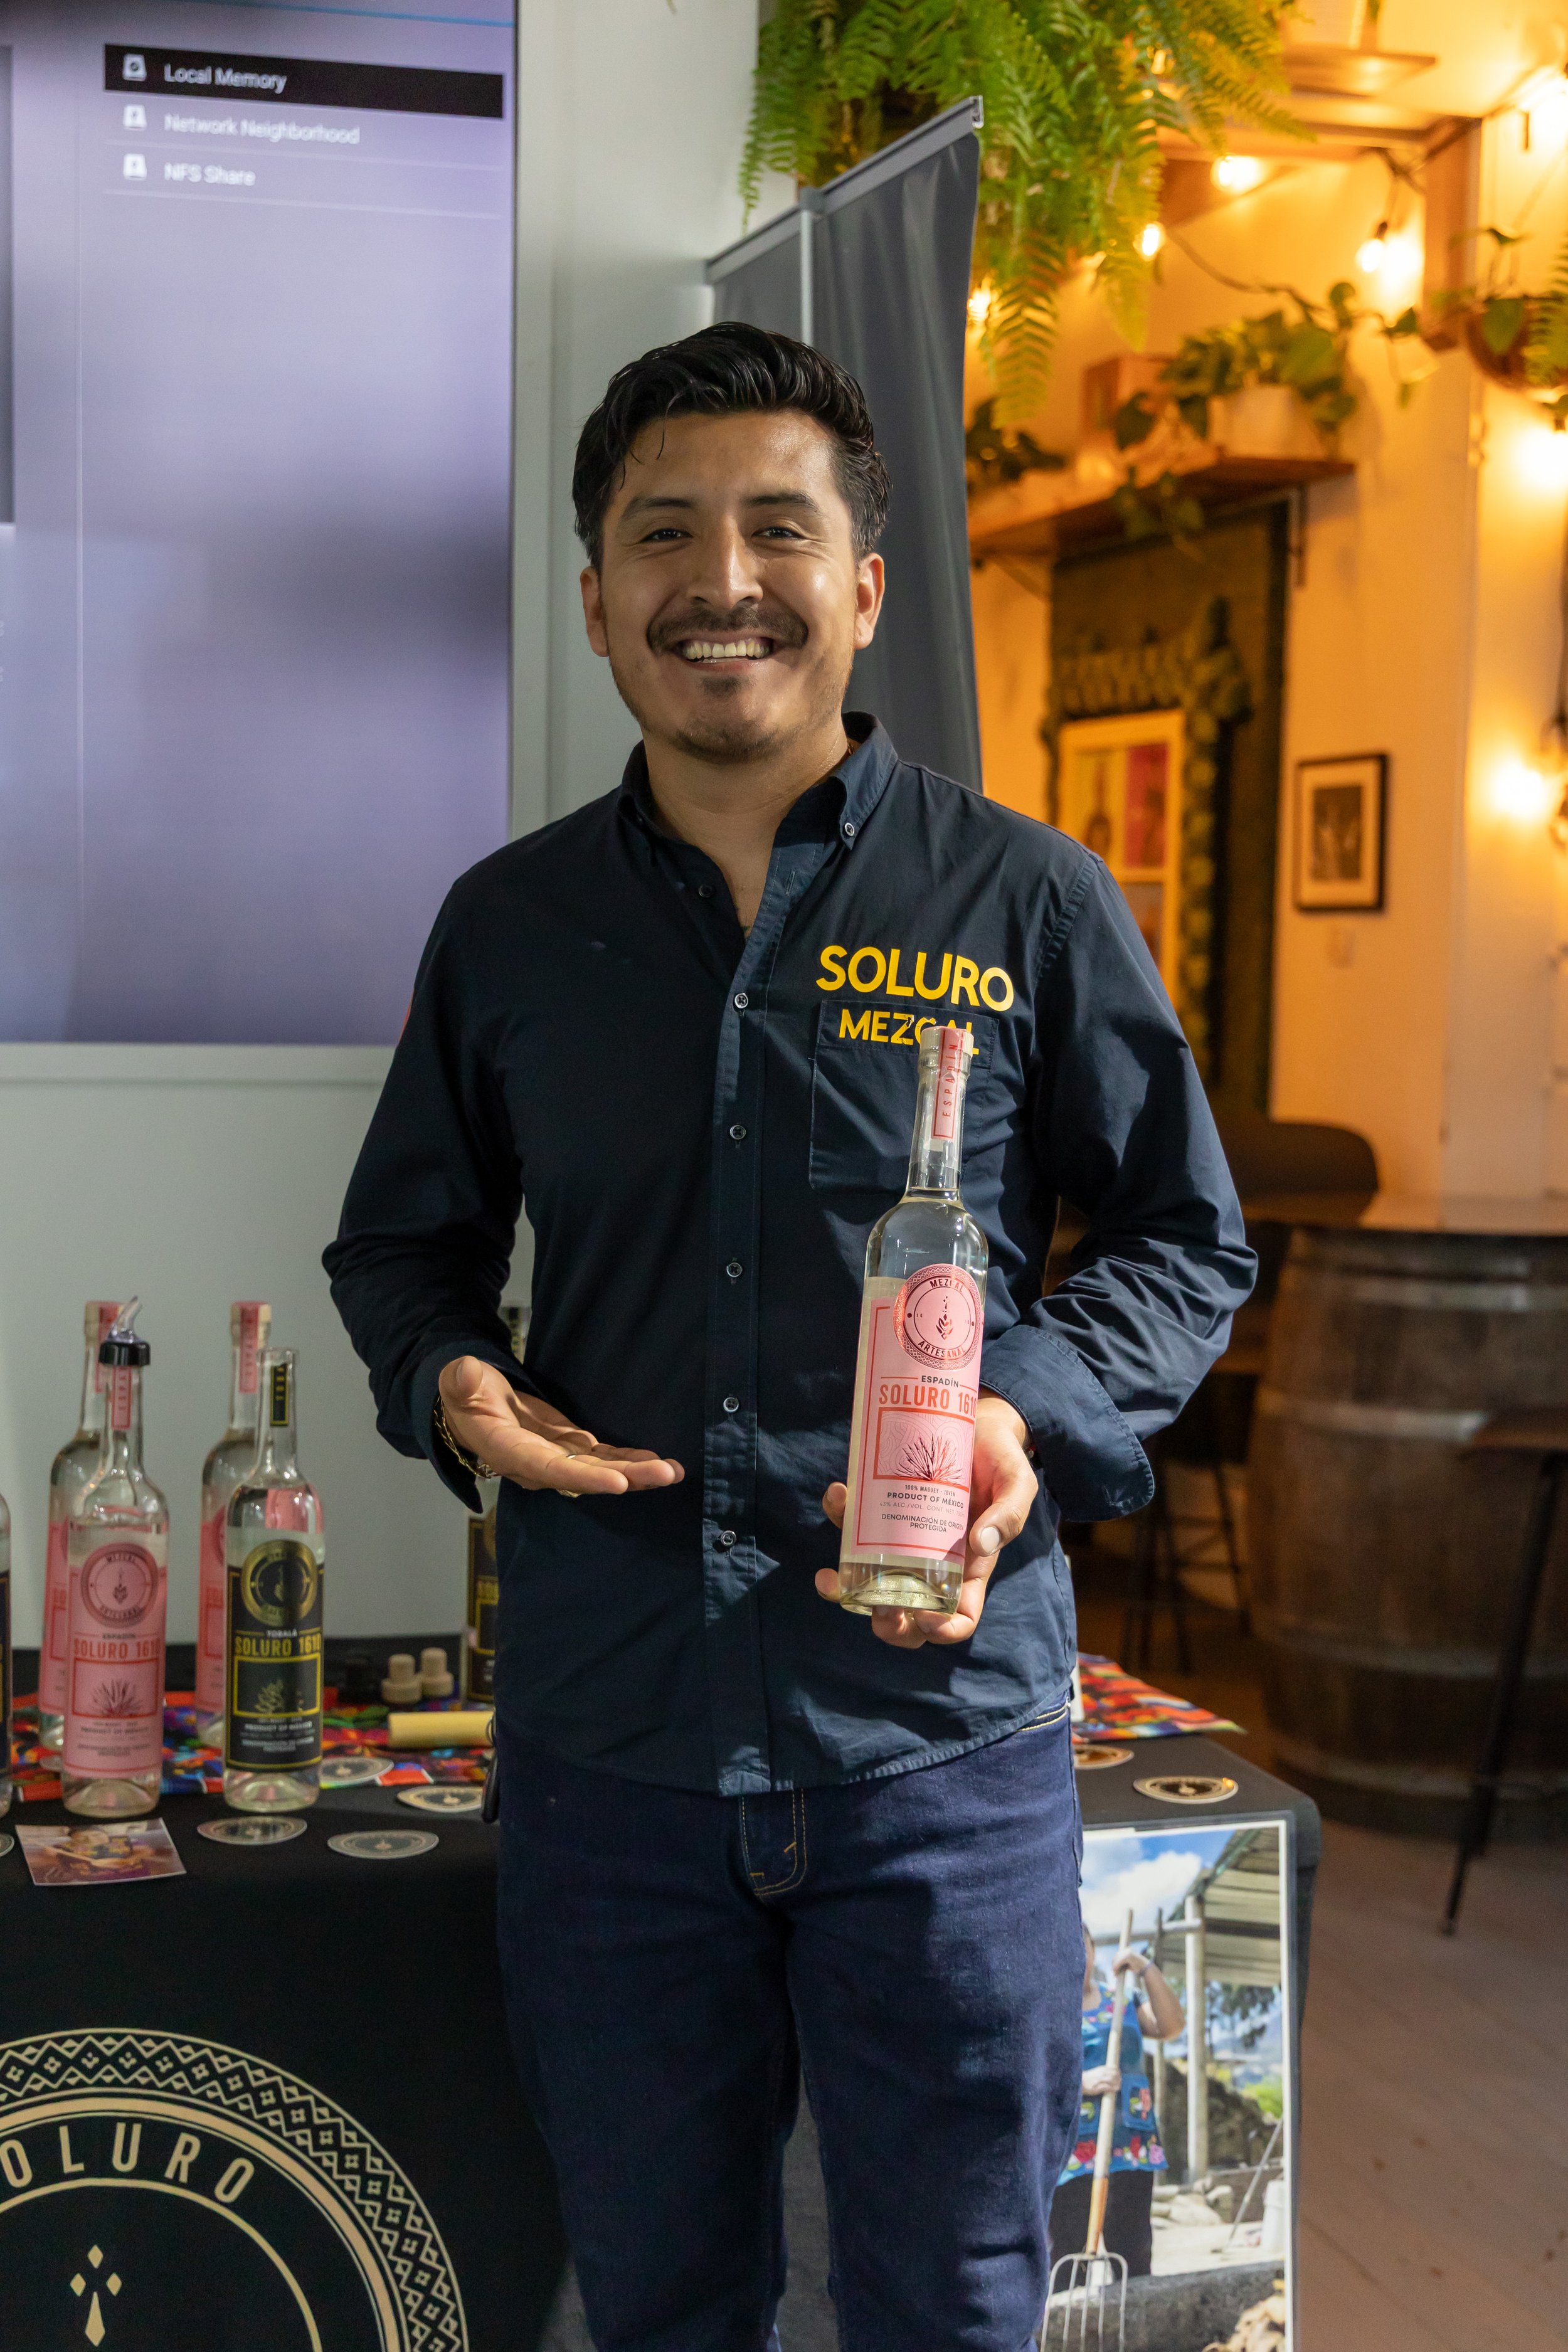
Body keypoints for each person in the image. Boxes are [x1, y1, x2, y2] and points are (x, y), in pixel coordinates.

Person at [324, 322, 1253, 2352]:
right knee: (657, 2301)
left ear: (866, 586)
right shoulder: (509, 925)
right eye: (664, 533)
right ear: (596, 599)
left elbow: (1186, 1240)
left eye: (776, 526)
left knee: (953, 2303)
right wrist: (457, 1386)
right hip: (615, 1742)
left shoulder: (1024, 900)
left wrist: (1021, 1409)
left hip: (937, 1754)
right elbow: (402, 1247)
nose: (720, 579)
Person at [1049, 1924, 1186, 2277]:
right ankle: (1065, 2312)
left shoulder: (1122, 1998)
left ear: (1093, 1949)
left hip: (1131, 2146)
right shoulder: (1046, 2011)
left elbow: (1171, 2026)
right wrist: (1081, 2083)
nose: (1077, 1956)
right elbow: (1027, 2074)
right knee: (1067, 2255)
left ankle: (1133, 2314)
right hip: (1072, 2152)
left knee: (1133, 2253)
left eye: (1083, 1946)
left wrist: (1144, 1967)